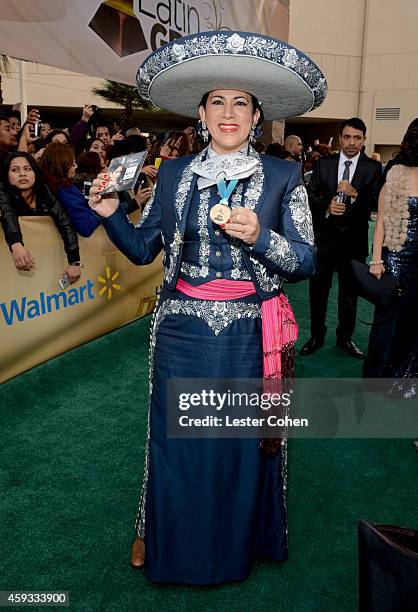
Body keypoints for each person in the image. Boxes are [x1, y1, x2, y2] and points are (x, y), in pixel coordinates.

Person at [89, 30, 326, 585]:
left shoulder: (284, 175)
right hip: (182, 331)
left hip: (249, 335)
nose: (228, 112)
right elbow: (145, 249)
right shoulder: (172, 175)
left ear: (256, 115)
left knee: (238, 441)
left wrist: (262, 236)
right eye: (216, 101)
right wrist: (108, 213)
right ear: (200, 112)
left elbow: (307, 260)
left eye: (240, 102)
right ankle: (163, 535)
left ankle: (238, 542)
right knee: (175, 439)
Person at [301, 117, 382, 358]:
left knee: (349, 295)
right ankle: (316, 336)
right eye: (347, 137)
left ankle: (344, 338)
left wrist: (355, 194)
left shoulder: (373, 167)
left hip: (354, 241)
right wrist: (327, 205)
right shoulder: (324, 163)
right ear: (340, 138)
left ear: (364, 140)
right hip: (324, 239)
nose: (351, 142)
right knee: (318, 292)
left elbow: (378, 201)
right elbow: (309, 195)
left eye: (357, 138)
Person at [363, 126, 418, 397]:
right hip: (395, 257)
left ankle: (404, 377)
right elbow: (381, 221)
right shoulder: (396, 175)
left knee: (413, 321)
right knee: (388, 321)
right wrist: (376, 259)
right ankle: (377, 379)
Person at [0, 151, 81, 281]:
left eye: (27, 169)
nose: (22, 174)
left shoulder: (44, 190)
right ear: (7, 176)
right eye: (15, 170)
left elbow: (64, 221)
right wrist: (16, 244)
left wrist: (74, 262)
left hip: (46, 267)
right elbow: (7, 213)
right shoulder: (2, 190)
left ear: (35, 173)